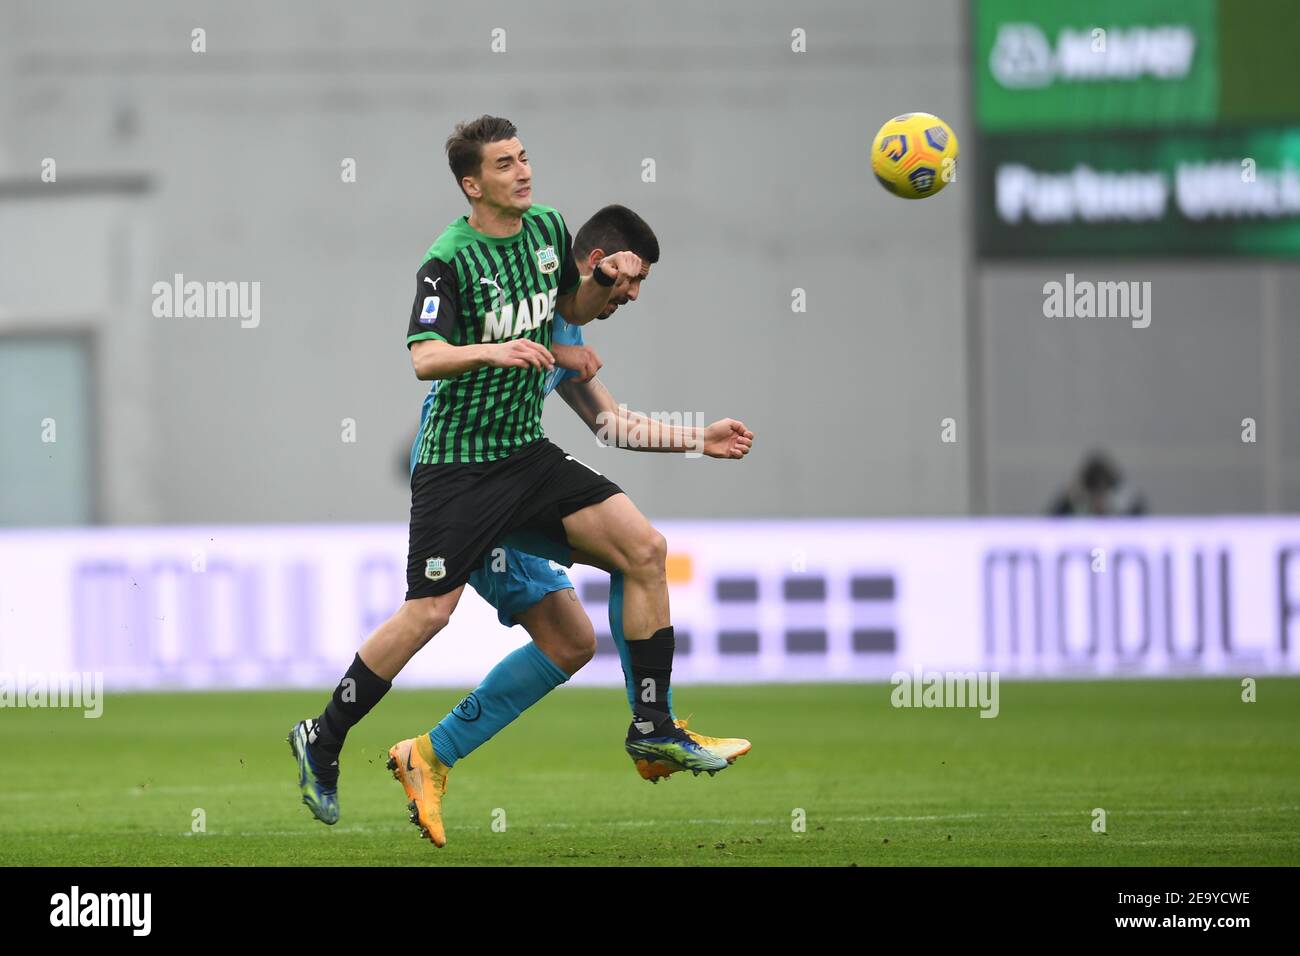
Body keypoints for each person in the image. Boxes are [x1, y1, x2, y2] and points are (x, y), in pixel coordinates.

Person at [288, 116, 736, 847]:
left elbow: (569, 319)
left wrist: (696, 435)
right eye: (505, 163)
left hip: (523, 459)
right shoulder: (448, 260)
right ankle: (323, 735)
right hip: (457, 469)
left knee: (637, 556)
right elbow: (425, 358)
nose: (523, 171)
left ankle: (652, 727)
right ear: (474, 184)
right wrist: (497, 351)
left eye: (525, 157)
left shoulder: (550, 229)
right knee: (430, 614)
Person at [408, 203, 754, 799]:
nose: (635, 295)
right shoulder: (527, 298)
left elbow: (611, 424)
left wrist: (701, 438)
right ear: (599, 262)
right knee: (635, 556)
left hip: (510, 484)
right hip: (465, 490)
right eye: (634, 277)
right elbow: (439, 351)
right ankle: (653, 726)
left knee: (583, 627)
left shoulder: (565, 323)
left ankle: (429, 755)